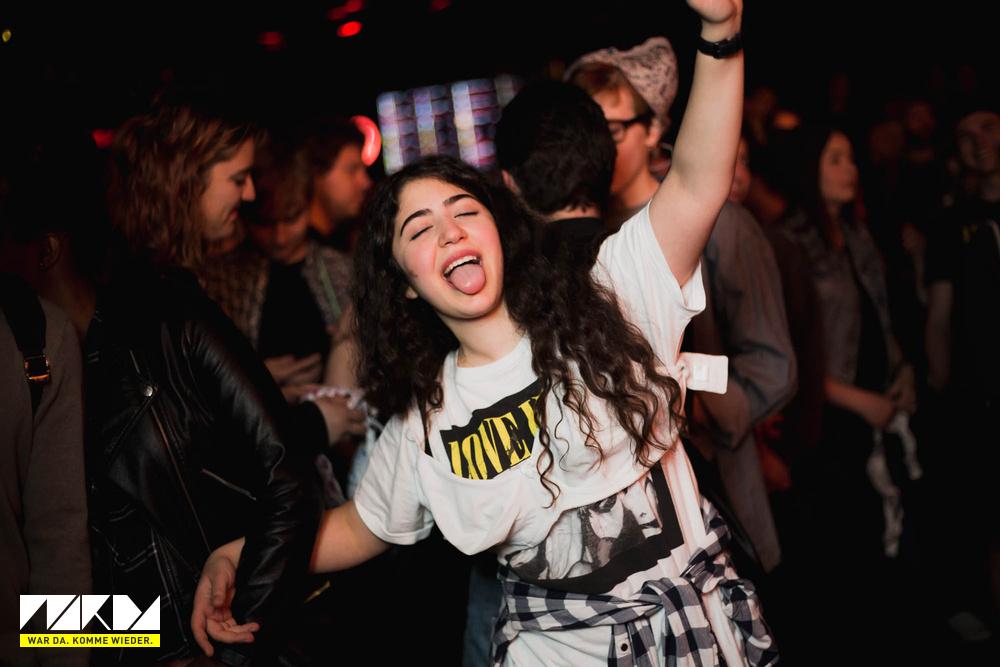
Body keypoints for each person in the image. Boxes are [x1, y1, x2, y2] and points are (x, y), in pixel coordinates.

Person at [196, 2, 777, 664]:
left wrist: (720, 32)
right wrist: (237, 553)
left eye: (464, 211)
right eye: (420, 229)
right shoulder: (427, 418)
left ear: (499, 230)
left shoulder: (613, 293)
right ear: (406, 283)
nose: (449, 232)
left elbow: (698, 181)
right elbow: (360, 527)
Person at [89, 90, 324, 664]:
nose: (250, 194)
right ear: (186, 180)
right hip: (164, 628)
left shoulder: (120, 302)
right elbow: (289, 477)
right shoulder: (174, 310)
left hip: (141, 626)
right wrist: (233, 642)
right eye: (237, 178)